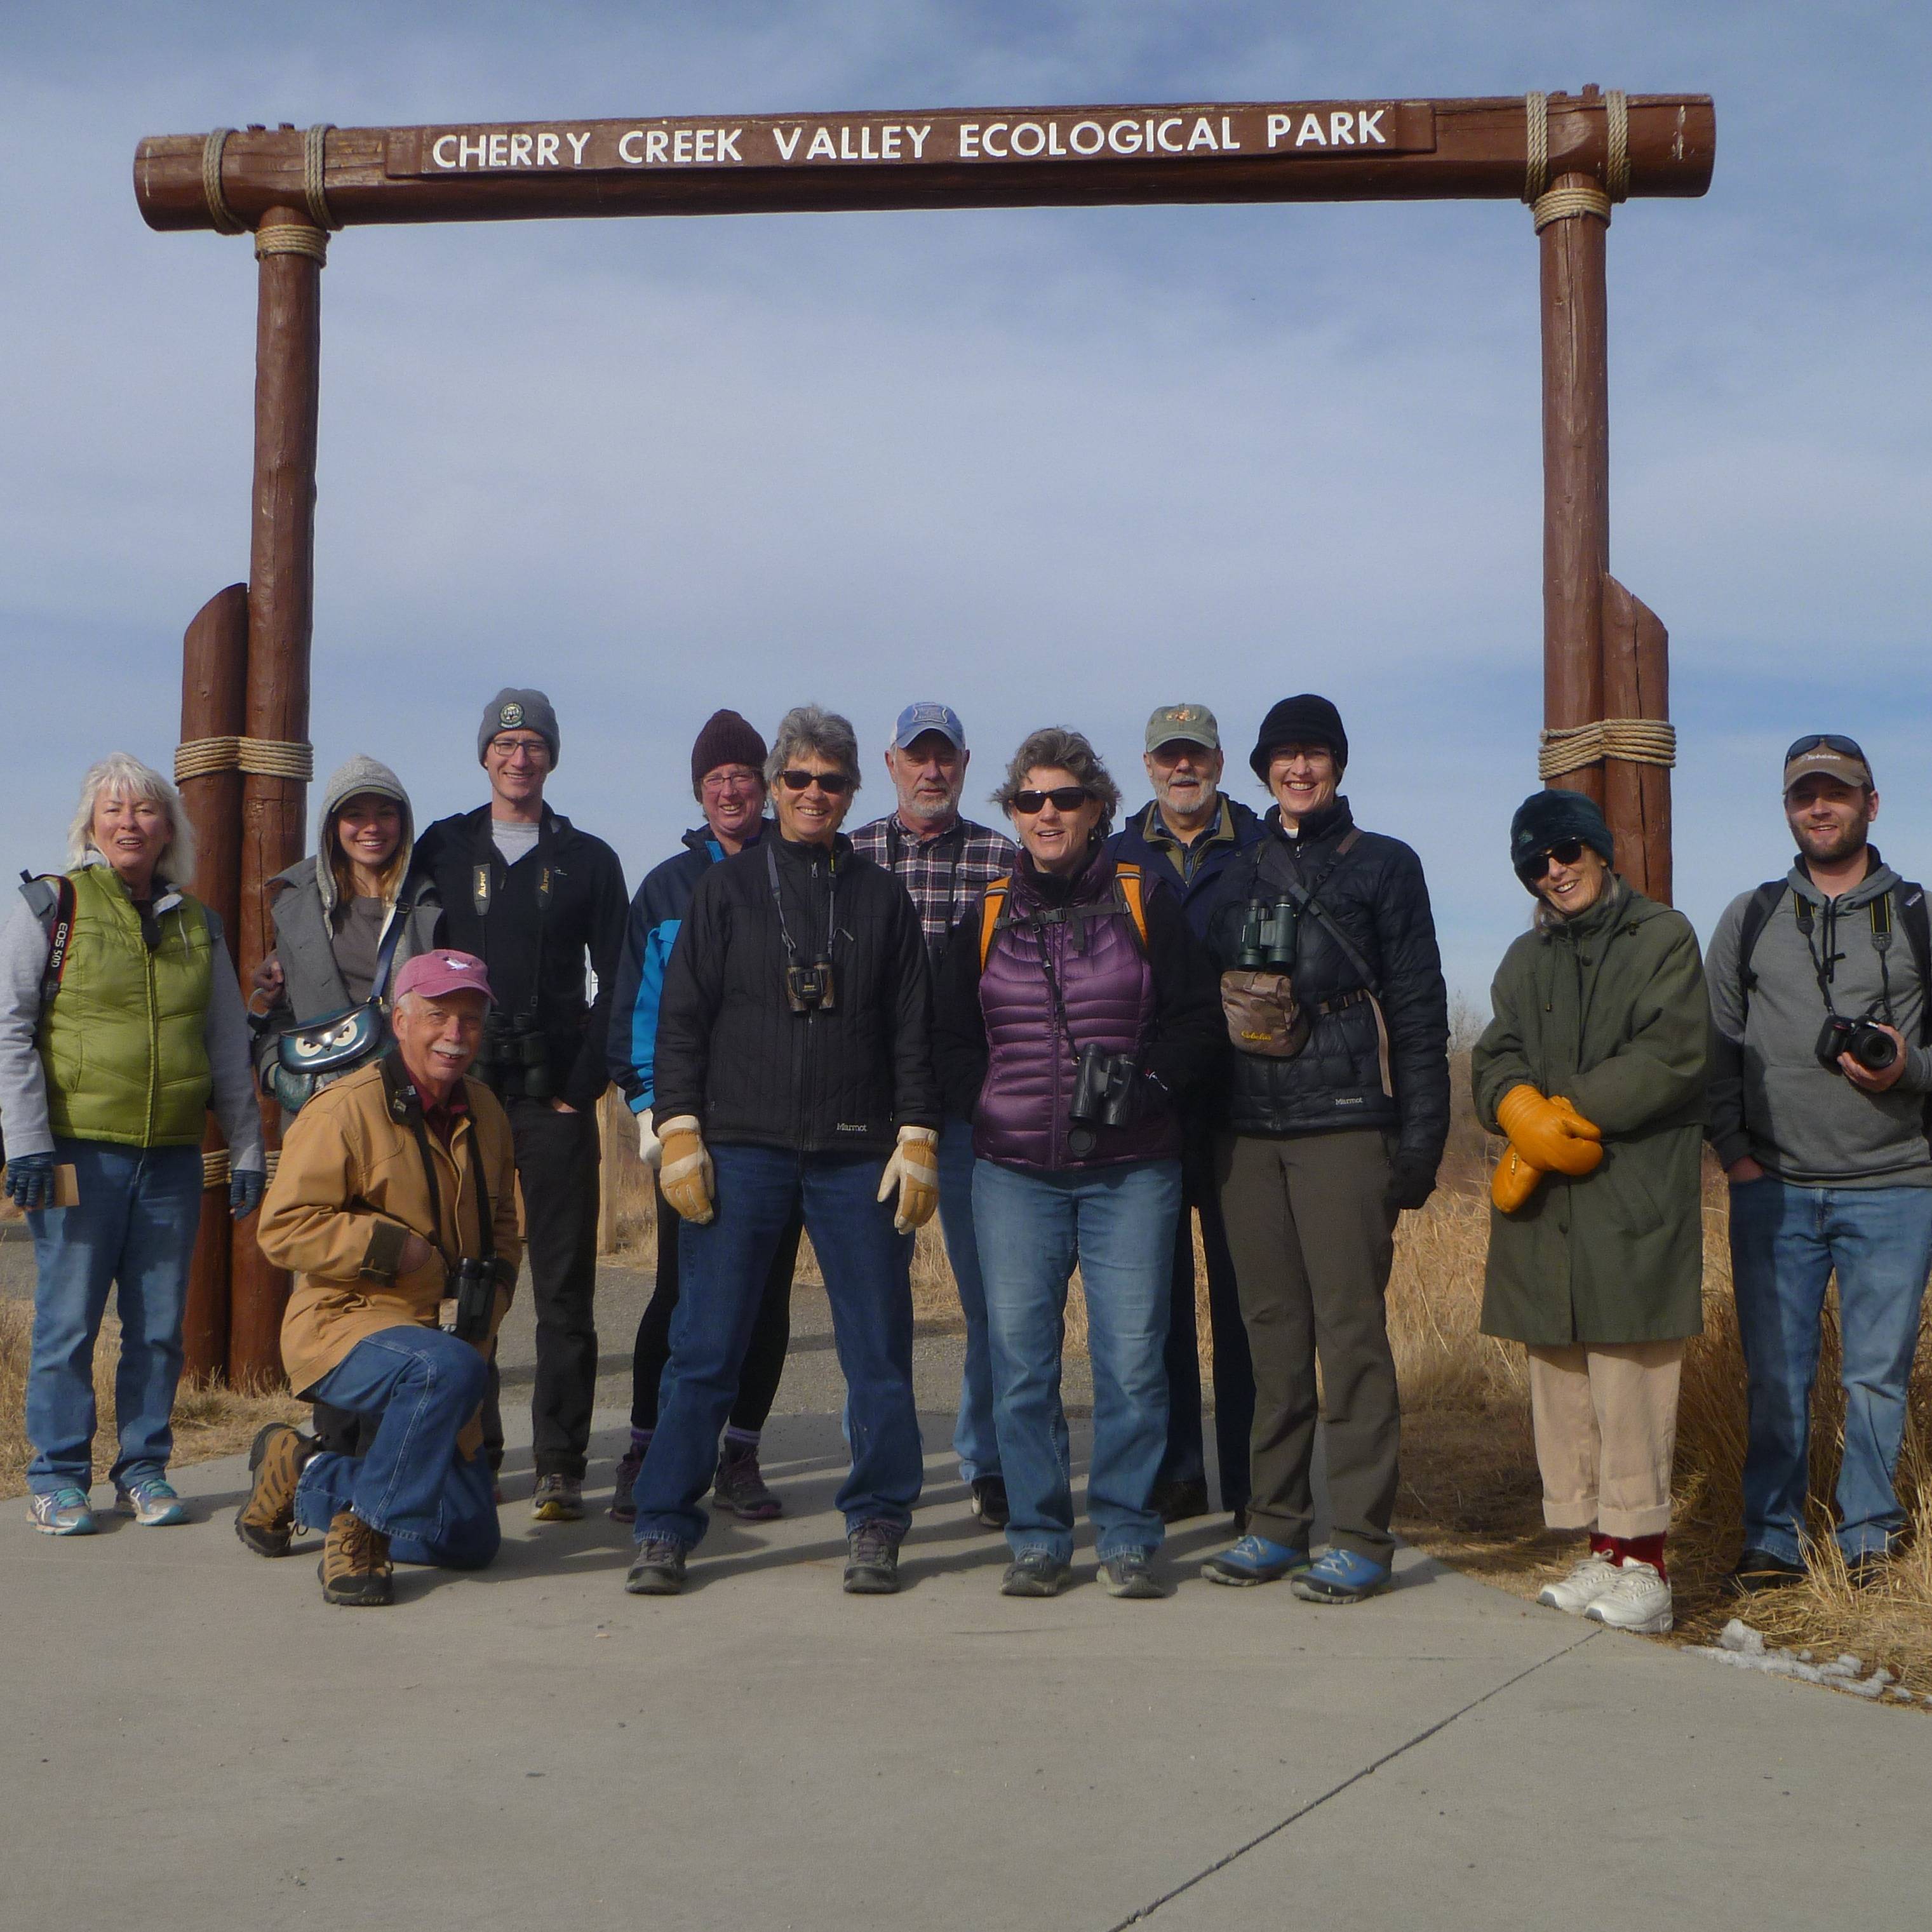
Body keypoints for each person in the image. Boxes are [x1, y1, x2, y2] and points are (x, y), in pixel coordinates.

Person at [625, 705, 938, 1597]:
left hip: (854, 1154)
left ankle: (877, 1518)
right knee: (705, 1346)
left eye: (830, 780)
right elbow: (681, 1019)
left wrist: (916, 1133)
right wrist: (679, 1129)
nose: (812, 794)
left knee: (876, 1349)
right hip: (743, 1149)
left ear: (851, 790)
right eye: (796, 778)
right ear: (773, 786)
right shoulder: (722, 892)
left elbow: (911, 1027)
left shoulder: (881, 897)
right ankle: (662, 1523)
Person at [933, 728, 1223, 1599]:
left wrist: (1148, 1086)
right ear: (1013, 813)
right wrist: (984, 1102)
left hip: (1130, 1171)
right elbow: (946, 1038)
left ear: (1098, 807)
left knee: (1132, 1358)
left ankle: (1128, 1531)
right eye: (1030, 799)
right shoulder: (984, 912)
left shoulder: (1144, 900)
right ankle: (1037, 1533)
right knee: (1021, 1361)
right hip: (1013, 1174)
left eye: (1065, 797)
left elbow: (1197, 1022)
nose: (1047, 812)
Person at [1199, 695, 1449, 1602]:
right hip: (1246, 1130)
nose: (1297, 769)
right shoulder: (1233, 873)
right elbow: (1197, 1004)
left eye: (1313, 755)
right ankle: (1272, 1520)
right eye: (1283, 756)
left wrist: (1419, 1140)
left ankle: (1357, 1533)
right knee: (1269, 1334)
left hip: (1345, 1121)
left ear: (1337, 765)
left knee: (1348, 1334)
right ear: (1261, 768)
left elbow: (1418, 1008)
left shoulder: (1385, 865)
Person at [0, 753, 264, 1534]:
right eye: (113, 809)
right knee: (69, 1320)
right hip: (75, 1153)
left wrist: (247, 1146)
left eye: (145, 810)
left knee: (156, 1326)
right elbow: (11, 1027)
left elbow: (227, 1044)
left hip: (173, 1158)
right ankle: (56, 1477)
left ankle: (144, 1469)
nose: (129, 822)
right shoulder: (53, 906)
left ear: (168, 829)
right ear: (91, 823)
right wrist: (26, 1143)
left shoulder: (198, 923)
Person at [1473, 789, 1709, 1636]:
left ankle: (1646, 1568)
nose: (1554, 869)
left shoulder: (1662, 937)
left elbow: (1674, 1051)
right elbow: (1494, 1051)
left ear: (1600, 849)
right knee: (1566, 1382)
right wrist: (1514, 1111)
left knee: (1631, 1378)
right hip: (1550, 1212)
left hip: (1630, 1197)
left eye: (1567, 850)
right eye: (1534, 863)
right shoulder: (1520, 959)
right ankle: (1601, 1550)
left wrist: (1563, 1113)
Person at [1707, 734, 1932, 1592]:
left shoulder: (1916, 910)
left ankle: (1866, 1535)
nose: (1819, 808)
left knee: (1875, 1375)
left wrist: (1904, 1067)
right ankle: (1772, 1535)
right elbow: (1715, 1046)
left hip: (1895, 1186)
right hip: (1775, 1187)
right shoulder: (1750, 915)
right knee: (1776, 1375)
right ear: (1788, 809)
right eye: (1804, 795)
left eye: (1835, 793)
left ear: (1870, 804)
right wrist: (1733, 1154)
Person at [241, 950, 523, 1605]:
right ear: (400, 1021)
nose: (455, 1034)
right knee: (449, 1371)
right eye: (437, 1016)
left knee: (470, 1542)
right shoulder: (344, 1109)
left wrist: (497, 1294)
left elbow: (507, 1222)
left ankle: (304, 1471)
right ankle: (362, 1533)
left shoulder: (487, 1110)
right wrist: (394, 1250)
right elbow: (282, 1229)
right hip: (345, 1326)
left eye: (471, 1020)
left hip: (447, 1339)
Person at [413, 690, 627, 1522]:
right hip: (462, 1095)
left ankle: (560, 1462)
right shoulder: (443, 845)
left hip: (552, 1098)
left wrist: (584, 1085)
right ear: (484, 755)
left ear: (551, 757)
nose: (519, 757)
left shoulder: (588, 859)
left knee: (563, 1289)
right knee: (471, 1280)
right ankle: (477, 1450)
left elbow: (621, 977)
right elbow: (382, 921)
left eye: (534, 743)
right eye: (506, 742)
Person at [607, 710, 800, 1522]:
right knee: (680, 1296)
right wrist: (657, 1114)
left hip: (784, 1128)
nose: (730, 788)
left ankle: (741, 1455)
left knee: (767, 1298)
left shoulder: (802, 872)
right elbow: (631, 1016)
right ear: (699, 790)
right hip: (692, 1128)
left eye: (743, 775)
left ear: (766, 785)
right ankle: (649, 1447)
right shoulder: (665, 888)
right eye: (715, 778)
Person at [850, 701, 1018, 1527]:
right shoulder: (850, 858)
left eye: (944, 756)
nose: (930, 770)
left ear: (961, 762)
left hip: (968, 1115)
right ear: (889, 763)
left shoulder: (1001, 859)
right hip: (870, 1120)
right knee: (876, 1305)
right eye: (916, 756)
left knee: (991, 1296)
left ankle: (986, 1459)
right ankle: (879, 1473)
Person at [1109, 702, 1264, 1529]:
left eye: (1195, 755)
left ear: (1218, 760)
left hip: (1240, 1106)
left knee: (1243, 1304)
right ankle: (1175, 1472)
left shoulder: (1260, 847)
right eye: (1169, 755)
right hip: (1152, 1103)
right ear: (1145, 764)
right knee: (1156, 1302)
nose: (1182, 768)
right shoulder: (1115, 857)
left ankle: (1246, 1479)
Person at [249, 755, 442, 1115]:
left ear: (403, 822)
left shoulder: (432, 902)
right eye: (356, 815)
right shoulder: (297, 906)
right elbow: (277, 1012)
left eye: (385, 813)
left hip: (409, 1102)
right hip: (323, 1106)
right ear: (332, 825)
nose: (372, 827)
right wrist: (275, 1071)